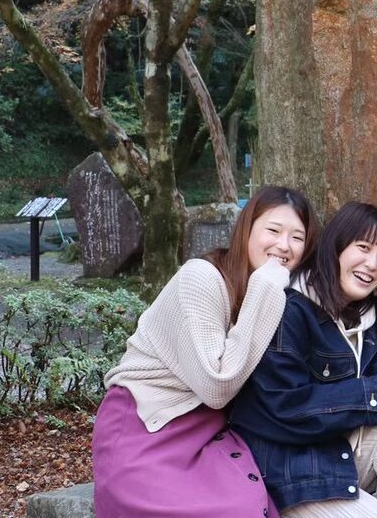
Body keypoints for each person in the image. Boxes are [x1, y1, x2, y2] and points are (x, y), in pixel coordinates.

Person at [92, 186, 319, 518]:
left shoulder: (272, 288)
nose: (284, 246)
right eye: (273, 230)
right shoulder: (202, 277)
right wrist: (267, 287)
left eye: (297, 237)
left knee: (249, 505)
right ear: (246, 229)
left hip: (209, 433)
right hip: (145, 426)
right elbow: (217, 386)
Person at [231, 201, 377, 518]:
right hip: (292, 474)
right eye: (363, 248)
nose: (372, 264)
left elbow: (363, 378)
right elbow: (285, 406)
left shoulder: (367, 318)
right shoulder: (289, 308)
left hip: (338, 457)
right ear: (336, 248)